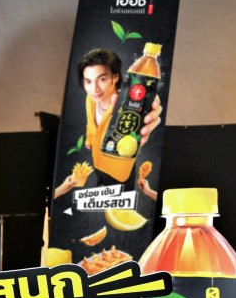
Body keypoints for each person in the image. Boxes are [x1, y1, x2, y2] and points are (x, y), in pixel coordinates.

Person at [52, 48, 162, 199]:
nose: (94, 89)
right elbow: (90, 124)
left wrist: (148, 108)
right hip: (98, 166)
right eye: (88, 81)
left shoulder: (126, 107)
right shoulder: (90, 99)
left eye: (102, 79)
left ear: (115, 77)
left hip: (119, 172)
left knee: (117, 211)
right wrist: (90, 139)